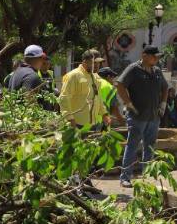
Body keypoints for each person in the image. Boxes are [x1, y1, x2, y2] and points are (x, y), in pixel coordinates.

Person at [115, 46, 169, 188]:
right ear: (144, 55)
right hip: (137, 116)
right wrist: (128, 103)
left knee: (149, 147)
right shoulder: (133, 69)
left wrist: (163, 104)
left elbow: (165, 87)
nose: (156, 59)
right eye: (154, 56)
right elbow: (119, 84)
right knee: (132, 146)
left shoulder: (157, 71)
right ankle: (125, 177)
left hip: (153, 117)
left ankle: (147, 177)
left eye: (158, 57)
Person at [58, 49, 107, 129]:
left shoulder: (96, 77)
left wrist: (104, 114)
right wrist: (70, 119)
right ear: (84, 62)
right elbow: (64, 99)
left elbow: (98, 98)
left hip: (94, 124)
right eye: (94, 62)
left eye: (98, 63)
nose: (97, 65)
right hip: (77, 124)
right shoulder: (73, 76)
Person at [7, 45, 57, 109]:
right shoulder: (32, 76)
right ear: (39, 59)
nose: (43, 62)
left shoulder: (16, 72)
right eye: (42, 59)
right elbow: (29, 106)